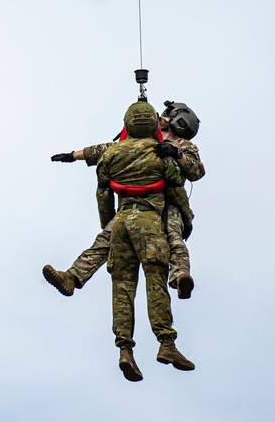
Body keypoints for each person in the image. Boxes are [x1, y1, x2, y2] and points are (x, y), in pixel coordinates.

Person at [42, 100, 203, 298]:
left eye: (167, 115)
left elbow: (197, 171)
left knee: (173, 236)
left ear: (180, 121)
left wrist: (176, 153)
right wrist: (73, 155)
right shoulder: (145, 139)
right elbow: (107, 149)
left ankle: (180, 277)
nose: (161, 117)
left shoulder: (184, 146)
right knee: (107, 238)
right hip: (137, 204)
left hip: (168, 203)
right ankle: (72, 277)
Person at [95, 101, 195, 380]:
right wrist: (187, 218)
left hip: (120, 224)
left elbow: (103, 192)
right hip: (150, 221)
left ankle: (124, 349)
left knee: (122, 287)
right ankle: (166, 343)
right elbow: (176, 186)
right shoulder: (161, 154)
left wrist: (109, 224)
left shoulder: (113, 153)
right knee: (155, 280)